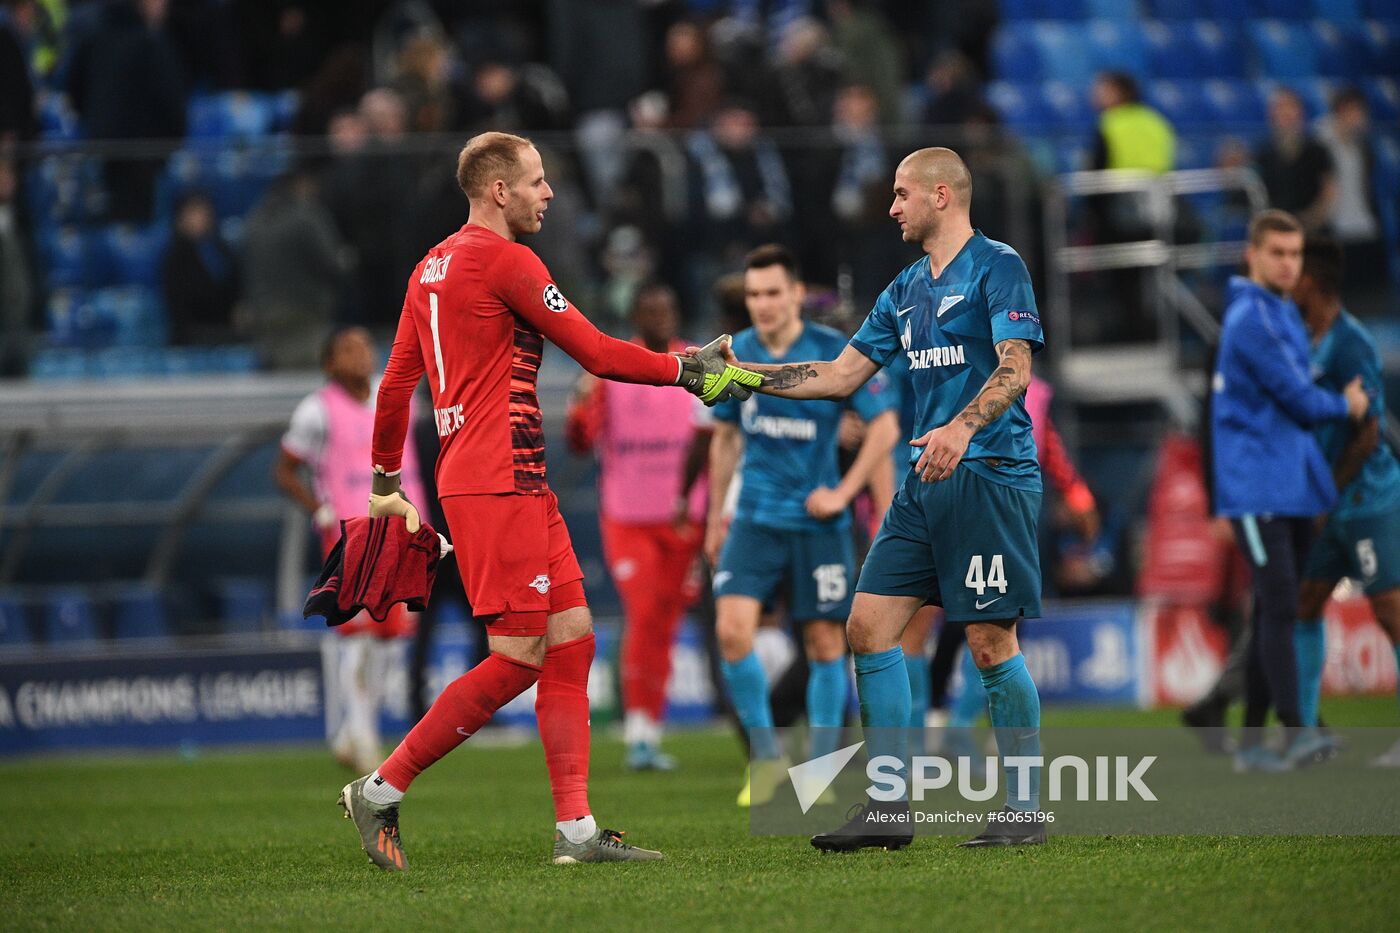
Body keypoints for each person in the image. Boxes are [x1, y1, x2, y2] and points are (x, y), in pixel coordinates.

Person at [336, 130, 760, 871]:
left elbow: (397, 381)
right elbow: (595, 351)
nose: (549, 192)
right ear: (498, 190)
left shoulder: (428, 268)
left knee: (572, 637)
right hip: (498, 477)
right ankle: (380, 786)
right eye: (536, 180)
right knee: (519, 654)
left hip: (502, 477)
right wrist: (690, 371)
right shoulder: (507, 259)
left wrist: (382, 482)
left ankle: (575, 831)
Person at [727, 149, 1049, 849]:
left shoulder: (1000, 266)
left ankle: (1026, 808)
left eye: (902, 195)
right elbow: (839, 373)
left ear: (941, 194)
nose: (893, 207)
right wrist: (739, 375)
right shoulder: (904, 288)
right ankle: (888, 806)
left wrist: (962, 427)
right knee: (868, 625)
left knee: (991, 640)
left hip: (990, 473)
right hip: (924, 483)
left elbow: (1016, 366)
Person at [708, 243, 899, 809]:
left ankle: (817, 769)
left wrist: (843, 492)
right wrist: (716, 517)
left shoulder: (831, 352)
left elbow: (885, 428)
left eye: (772, 292)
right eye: (753, 294)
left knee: (823, 644)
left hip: (818, 523)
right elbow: (724, 436)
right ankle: (766, 759)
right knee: (731, 632)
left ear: (795, 293)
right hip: (755, 519)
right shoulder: (734, 353)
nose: (762, 304)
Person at [1211, 210, 1369, 772]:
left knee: (1273, 612)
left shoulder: (1279, 313)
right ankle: (1296, 734)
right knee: (1278, 607)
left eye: (1295, 254)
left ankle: (1253, 743)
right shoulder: (1250, 318)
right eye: (1277, 252)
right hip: (1258, 491)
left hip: (1291, 486)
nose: (1287, 263)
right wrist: (1346, 406)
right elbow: (1299, 401)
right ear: (1252, 255)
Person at [565, 282, 709, 771]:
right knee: (644, 613)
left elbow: (714, 436)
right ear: (636, 317)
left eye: (667, 307)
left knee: (665, 622)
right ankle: (638, 732)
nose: (660, 316)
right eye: (651, 309)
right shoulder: (612, 368)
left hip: (684, 517)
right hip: (628, 516)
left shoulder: (694, 363)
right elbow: (582, 440)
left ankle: (651, 727)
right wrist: (581, 406)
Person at [275, 327, 425, 774]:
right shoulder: (315, 411)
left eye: (363, 345)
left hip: (400, 532)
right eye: (346, 348)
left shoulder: (397, 395)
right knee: (357, 635)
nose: (359, 354)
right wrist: (317, 508)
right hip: (351, 533)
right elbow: (284, 471)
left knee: (389, 641)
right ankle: (363, 737)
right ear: (328, 363)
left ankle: (352, 732)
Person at [1291, 236, 1400, 767]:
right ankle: (1307, 734)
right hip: (1322, 502)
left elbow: (1368, 433)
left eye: (1294, 269)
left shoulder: (1351, 342)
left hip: (1364, 499)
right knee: (1306, 602)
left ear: (1310, 281)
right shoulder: (1299, 338)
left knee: (1389, 608)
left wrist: (1324, 494)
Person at [1254, 89, 1334, 233]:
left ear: (1300, 113)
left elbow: (1329, 188)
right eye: (1281, 109)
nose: (1286, 114)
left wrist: (1313, 218)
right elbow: (1258, 192)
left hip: (1314, 229)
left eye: (1290, 108)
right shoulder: (1263, 153)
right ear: (1272, 115)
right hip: (1278, 230)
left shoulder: (1317, 149)